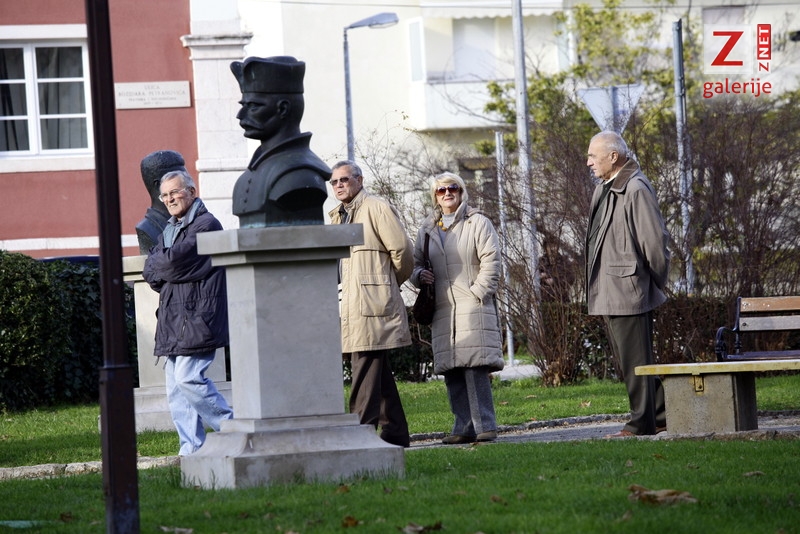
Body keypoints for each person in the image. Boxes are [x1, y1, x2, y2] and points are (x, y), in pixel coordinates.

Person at [584, 131, 670, 438]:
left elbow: (654, 243)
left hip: (629, 289)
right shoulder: (604, 188)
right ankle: (661, 414)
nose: (589, 162)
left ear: (613, 157)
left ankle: (641, 424)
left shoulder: (635, 188)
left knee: (636, 362)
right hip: (611, 290)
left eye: (593, 156)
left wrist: (653, 283)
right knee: (631, 360)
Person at [142, 169, 233, 455]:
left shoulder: (206, 224)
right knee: (176, 390)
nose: (169, 199)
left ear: (192, 192)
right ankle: (191, 450)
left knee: (188, 379)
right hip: (173, 319)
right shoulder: (171, 228)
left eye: (175, 192)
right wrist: (165, 263)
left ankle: (232, 429)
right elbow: (151, 272)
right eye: (164, 195)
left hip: (198, 318)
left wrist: (165, 263)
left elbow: (170, 264)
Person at [411, 172, 505, 444]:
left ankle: (485, 425)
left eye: (453, 188)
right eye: (441, 190)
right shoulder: (427, 229)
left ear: (461, 191)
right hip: (442, 308)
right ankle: (463, 427)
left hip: (472, 305)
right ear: (435, 196)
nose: (447, 193)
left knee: (475, 367)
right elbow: (415, 265)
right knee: (451, 369)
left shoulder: (478, 222)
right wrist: (419, 277)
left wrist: (478, 293)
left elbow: (492, 261)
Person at [328, 160, 413, 448]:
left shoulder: (376, 208)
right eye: (334, 182)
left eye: (344, 179)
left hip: (372, 305)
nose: (339, 185)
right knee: (377, 371)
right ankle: (395, 432)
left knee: (363, 368)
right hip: (351, 304)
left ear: (359, 180)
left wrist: (386, 284)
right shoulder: (337, 216)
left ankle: (359, 436)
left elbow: (402, 251)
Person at [229, 56, 330, 228]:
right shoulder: (250, 174)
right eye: (243, 105)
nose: (240, 115)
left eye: (253, 106)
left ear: (283, 109)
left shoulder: (300, 175)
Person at [135, 149, 186, 254]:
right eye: (178, 179)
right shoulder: (147, 229)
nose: (186, 183)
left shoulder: (192, 219)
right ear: (158, 185)